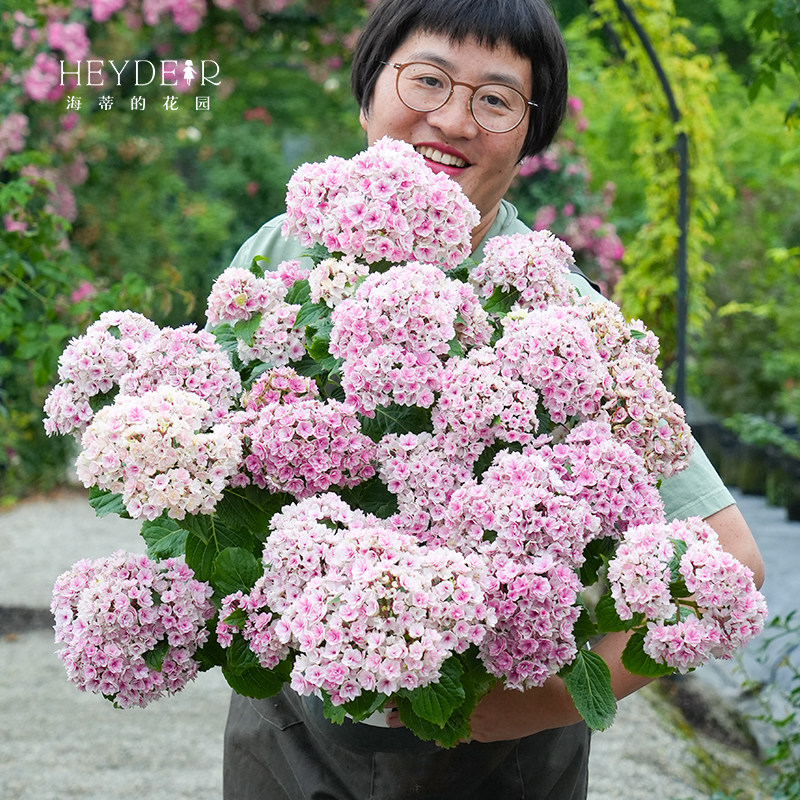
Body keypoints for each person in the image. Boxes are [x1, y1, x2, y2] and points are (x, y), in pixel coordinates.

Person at [222, 1, 765, 797]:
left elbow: (732, 563)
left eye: (496, 99)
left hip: (498, 758)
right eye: (428, 80)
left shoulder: (564, 318)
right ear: (369, 91)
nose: (453, 120)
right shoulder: (282, 253)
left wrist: (537, 704)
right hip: (293, 731)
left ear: (529, 135)